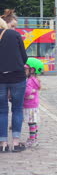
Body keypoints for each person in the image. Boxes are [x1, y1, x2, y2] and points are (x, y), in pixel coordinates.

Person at [0, 10, 28, 152]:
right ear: (7, 23)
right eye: (13, 25)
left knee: (2, 111)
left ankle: (2, 144)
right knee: (17, 109)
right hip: (17, 77)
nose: (15, 29)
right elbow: (24, 58)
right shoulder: (15, 35)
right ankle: (16, 143)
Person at [23, 58, 44, 147]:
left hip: (29, 105)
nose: (24, 71)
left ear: (32, 70)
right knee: (33, 122)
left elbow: (27, 91)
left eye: (26, 69)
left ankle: (32, 140)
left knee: (31, 123)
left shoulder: (29, 80)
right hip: (34, 105)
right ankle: (34, 138)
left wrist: (23, 95)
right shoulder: (35, 79)